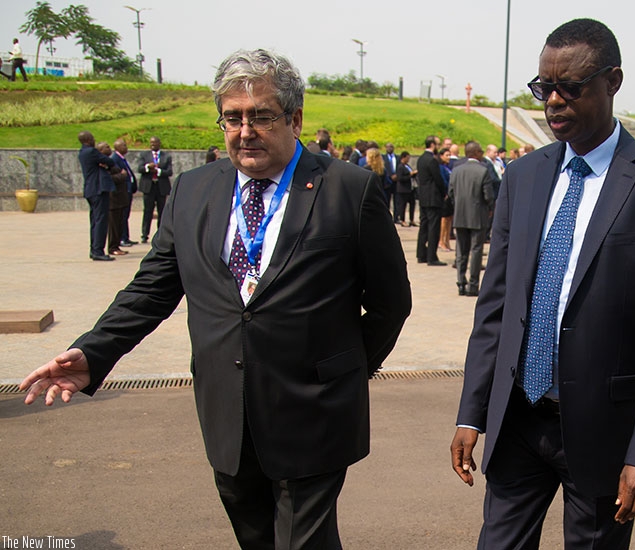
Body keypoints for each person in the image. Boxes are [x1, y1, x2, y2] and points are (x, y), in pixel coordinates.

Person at [20, 48, 412, 550]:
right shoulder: (192, 191)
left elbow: (390, 303)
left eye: (261, 116)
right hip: (227, 410)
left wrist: (347, 368)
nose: (245, 131)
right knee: (254, 538)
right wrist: (94, 352)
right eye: (233, 117)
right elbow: (151, 289)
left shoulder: (349, 190)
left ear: (294, 119)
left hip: (315, 411)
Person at [449, 18, 635, 549]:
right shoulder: (523, 177)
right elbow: (496, 307)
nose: (553, 102)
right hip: (518, 417)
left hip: (602, 432)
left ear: (613, 81)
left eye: (570, 87)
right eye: (544, 88)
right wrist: (472, 411)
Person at [449, 141, 495, 296]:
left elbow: (451, 193)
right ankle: (473, 285)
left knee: (461, 251)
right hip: (477, 216)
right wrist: (490, 208)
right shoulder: (483, 171)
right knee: (476, 250)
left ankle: (461, 282)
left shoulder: (456, 170)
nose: (482, 154)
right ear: (475, 153)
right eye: (480, 152)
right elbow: (488, 196)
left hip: (460, 215)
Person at [77, 131, 115, 261]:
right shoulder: (91, 152)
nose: (94, 140)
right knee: (100, 221)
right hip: (98, 189)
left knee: (94, 221)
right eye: (92, 138)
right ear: (88, 140)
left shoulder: (82, 152)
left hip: (90, 190)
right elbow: (109, 161)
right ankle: (98, 250)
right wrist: (104, 162)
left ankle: (94, 249)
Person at [416, 135, 448, 266]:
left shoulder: (421, 159)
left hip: (423, 196)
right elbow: (438, 179)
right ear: (432, 145)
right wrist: (444, 192)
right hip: (433, 197)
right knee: (433, 228)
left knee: (424, 226)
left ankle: (421, 254)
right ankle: (431, 257)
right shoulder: (432, 160)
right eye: (438, 144)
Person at [137, 136, 173, 243]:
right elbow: (140, 169)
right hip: (149, 187)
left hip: (161, 187)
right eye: (151, 143)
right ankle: (144, 235)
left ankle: (161, 234)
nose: (153, 145)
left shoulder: (166, 156)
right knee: (147, 211)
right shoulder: (144, 155)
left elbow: (169, 171)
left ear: (159, 143)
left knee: (162, 211)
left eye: (155, 143)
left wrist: (158, 171)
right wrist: (148, 167)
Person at [100, 141, 130, 257]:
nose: (109, 148)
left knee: (119, 223)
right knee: (113, 225)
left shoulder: (109, 162)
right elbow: (108, 178)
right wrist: (122, 175)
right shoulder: (102, 163)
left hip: (120, 197)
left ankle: (116, 245)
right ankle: (113, 247)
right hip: (113, 199)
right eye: (106, 147)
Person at [112, 139, 138, 248]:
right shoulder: (115, 159)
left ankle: (125, 237)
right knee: (122, 216)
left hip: (128, 191)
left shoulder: (122, 158)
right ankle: (122, 238)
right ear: (117, 147)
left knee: (125, 215)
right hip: (122, 191)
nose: (126, 147)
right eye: (123, 145)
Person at [395, 151, 417, 226]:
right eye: (407, 158)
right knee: (402, 205)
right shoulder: (400, 167)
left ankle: (411, 219)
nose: (408, 160)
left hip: (410, 189)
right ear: (403, 158)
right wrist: (410, 175)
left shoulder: (407, 166)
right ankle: (402, 220)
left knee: (412, 204)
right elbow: (400, 178)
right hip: (403, 189)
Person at [439, 147, 454, 251]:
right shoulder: (440, 168)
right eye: (446, 155)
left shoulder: (448, 167)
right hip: (445, 195)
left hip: (450, 195)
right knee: (444, 219)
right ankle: (441, 240)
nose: (449, 157)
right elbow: (443, 181)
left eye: (449, 155)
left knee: (449, 218)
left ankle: (447, 240)